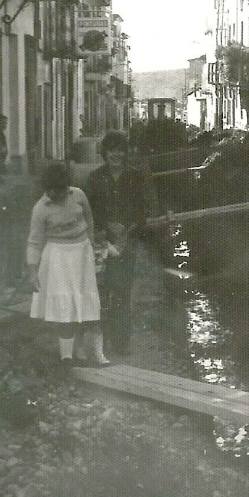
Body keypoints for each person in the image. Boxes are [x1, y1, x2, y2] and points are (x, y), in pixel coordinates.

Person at [26, 161, 109, 374]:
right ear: (46, 189)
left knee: (87, 303)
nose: (57, 194)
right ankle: (66, 357)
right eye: (52, 190)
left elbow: (89, 218)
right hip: (57, 257)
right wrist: (33, 270)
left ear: (66, 186)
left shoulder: (78, 195)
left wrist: (90, 244)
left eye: (60, 189)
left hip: (81, 252)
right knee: (64, 308)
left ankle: (97, 355)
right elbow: (34, 241)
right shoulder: (40, 208)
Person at [85, 131, 161, 355]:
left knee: (120, 290)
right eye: (111, 150)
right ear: (104, 153)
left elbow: (147, 207)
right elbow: (89, 210)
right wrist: (104, 228)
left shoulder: (136, 177)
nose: (116, 155)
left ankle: (120, 343)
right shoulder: (96, 178)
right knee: (100, 291)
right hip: (101, 241)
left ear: (125, 153)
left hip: (127, 240)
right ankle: (101, 343)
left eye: (120, 150)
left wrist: (128, 227)